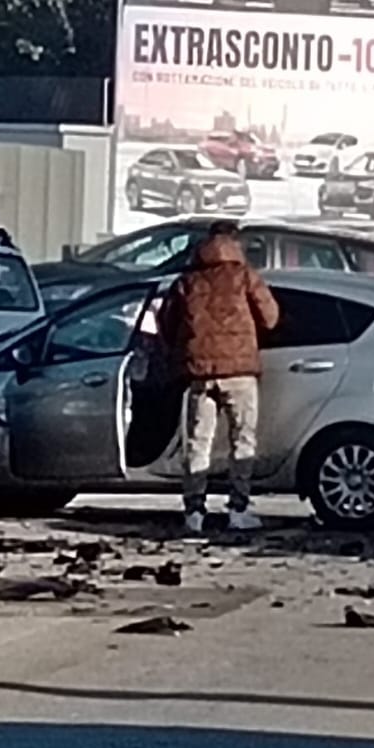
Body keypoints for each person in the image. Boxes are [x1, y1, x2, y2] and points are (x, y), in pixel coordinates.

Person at [158, 220, 280, 535]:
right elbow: (270, 318)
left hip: (199, 373)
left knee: (198, 443)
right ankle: (238, 510)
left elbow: (167, 324)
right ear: (236, 243)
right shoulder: (245, 276)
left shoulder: (188, 280)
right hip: (240, 373)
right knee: (242, 441)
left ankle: (194, 512)